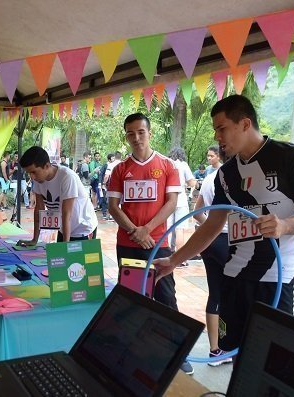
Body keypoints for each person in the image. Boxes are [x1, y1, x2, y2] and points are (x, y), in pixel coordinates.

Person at [153, 95, 294, 354]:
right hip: (235, 277)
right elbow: (212, 225)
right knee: (235, 353)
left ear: (245, 124)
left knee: (275, 360)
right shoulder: (226, 174)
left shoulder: (292, 157)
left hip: (278, 278)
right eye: (215, 130)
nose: (217, 136)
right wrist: (173, 260)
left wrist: (284, 225)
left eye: (222, 128)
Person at [107, 113, 190, 373]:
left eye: (141, 131)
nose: (136, 137)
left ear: (149, 132)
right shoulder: (120, 169)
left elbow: (172, 203)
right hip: (128, 242)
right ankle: (129, 345)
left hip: (158, 243)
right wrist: (135, 231)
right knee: (131, 293)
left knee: (166, 294)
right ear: (126, 135)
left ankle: (177, 351)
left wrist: (148, 230)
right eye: (131, 133)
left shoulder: (167, 165)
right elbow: (113, 206)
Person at [192, 152, 232, 366]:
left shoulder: (209, 178)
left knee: (215, 294)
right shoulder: (236, 177)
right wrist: (219, 227)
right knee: (236, 295)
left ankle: (215, 350)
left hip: (210, 243)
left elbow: (197, 212)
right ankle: (230, 346)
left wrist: (210, 229)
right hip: (228, 242)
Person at [17, 146, 97, 244]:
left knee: (72, 258)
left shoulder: (67, 177)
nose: (32, 177)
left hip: (83, 229)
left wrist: (64, 247)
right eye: (29, 173)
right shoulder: (38, 179)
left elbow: (67, 214)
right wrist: (34, 240)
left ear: (46, 166)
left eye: (34, 172)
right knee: (60, 258)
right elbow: (39, 210)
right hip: (64, 229)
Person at [167, 146, 196, 255]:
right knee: (180, 229)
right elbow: (192, 183)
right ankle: (179, 257)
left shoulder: (167, 164)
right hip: (181, 200)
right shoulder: (183, 165)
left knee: (168, 229)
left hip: (168, 200)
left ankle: (167, 254)